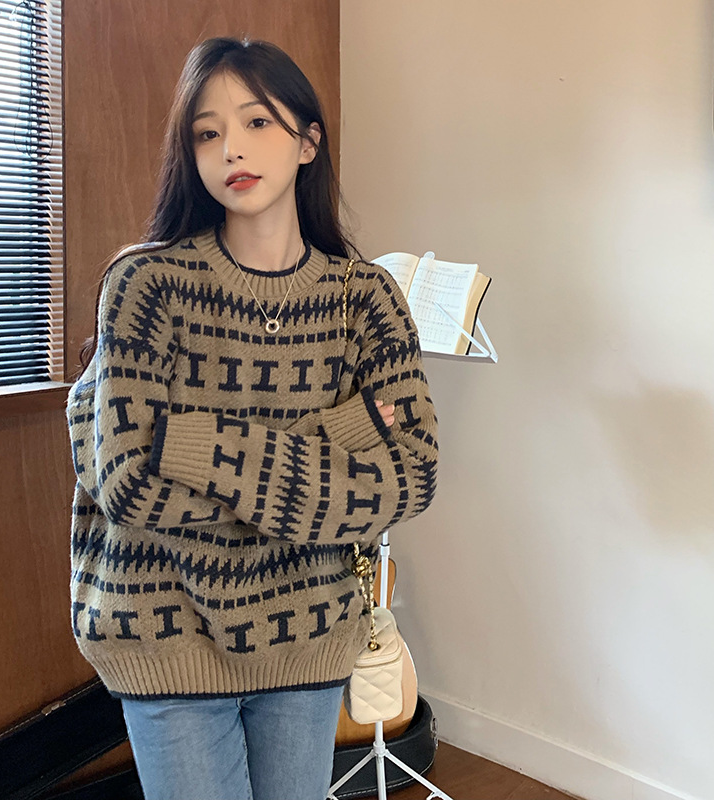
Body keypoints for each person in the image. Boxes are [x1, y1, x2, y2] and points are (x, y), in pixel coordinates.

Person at [66, 36, 439, 800]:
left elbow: (411, 476)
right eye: (207, 132)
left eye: (257, 121)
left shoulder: (364, 298)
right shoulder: (146, 285)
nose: (231, 147)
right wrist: (340, 438)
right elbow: (127, 483)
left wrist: (189, 442)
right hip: (164, 633)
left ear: (308, 141)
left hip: (307, 634)